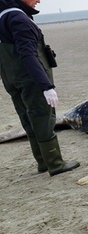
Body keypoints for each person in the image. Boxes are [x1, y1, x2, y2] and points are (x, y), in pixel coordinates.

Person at [0, 0, 79, 176]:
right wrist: (46, 86)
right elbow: (27, 54)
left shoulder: (2, 16)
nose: (39, 0)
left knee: (27, 117)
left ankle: (42, 162)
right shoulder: (18, 18)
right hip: (31, 79)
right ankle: (55, 163)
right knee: (43, 117)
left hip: (11, 80)